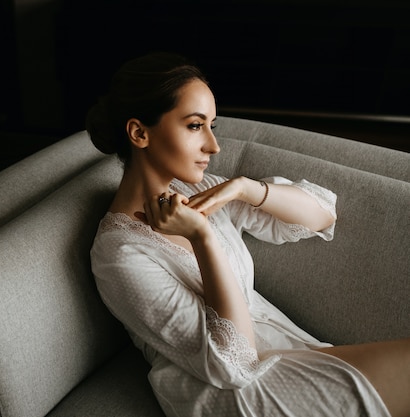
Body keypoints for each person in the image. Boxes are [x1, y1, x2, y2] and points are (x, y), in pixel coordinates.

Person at [86, 52, 410, 417]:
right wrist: (202, 238)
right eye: (195, 126)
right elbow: (232, 363)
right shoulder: (119, 254)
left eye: (213, 126)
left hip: (286, 352)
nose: (213, 145)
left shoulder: (204, 190)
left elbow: (322, 215)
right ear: (139, 133)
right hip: (233, 390)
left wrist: (244, 188)